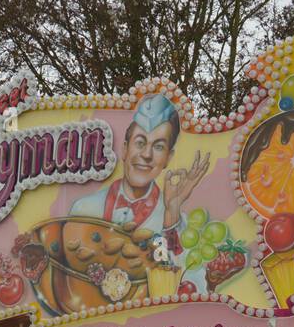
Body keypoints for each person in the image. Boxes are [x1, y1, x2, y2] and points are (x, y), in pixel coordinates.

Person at [70, 92, 210, 259]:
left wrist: (170, 214)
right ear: (125, 149)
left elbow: (172, 272)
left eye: (158, 147)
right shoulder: (84, 209)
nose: (146, 154)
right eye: (140, 143)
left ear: (168, 158)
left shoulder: (173, 223)